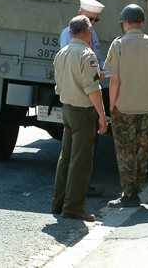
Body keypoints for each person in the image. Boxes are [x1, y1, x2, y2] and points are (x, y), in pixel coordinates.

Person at [104, 4, 148, 208]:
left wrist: (112, 105)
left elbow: (114, 80)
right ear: (141, 22)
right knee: (143, 150)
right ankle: (136, 191)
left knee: (125, 151)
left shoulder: (118, 44)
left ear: (124, 23)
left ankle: (128, 193)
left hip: (124, 106)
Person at [51, 15, 108, 221]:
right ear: (88, 32)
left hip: (67, 108)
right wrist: (102, 116)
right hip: (83, 112)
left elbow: (59, 84)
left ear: (70, 32)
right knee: (81, 161)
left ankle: (59, 202)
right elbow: (93, 89)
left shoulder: (61, 53)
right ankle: (74, 206)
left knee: (65, 157)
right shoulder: (88, 55)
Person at [59, 0, 106, 198]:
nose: (93, 24)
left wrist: (100, 70)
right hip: (81, 101)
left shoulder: (91, 36)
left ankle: (62, 198)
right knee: (80, 156)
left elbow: (98, 59)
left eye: (96, 20)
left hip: (70, 103)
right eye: (90, 19)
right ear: (80, 14)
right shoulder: (70, 38)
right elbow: (88, 82)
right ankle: (74, 201)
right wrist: (102, 115)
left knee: (70, 155)